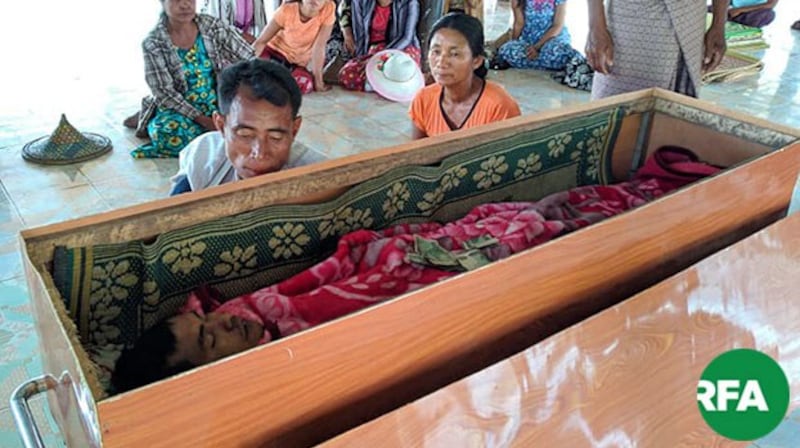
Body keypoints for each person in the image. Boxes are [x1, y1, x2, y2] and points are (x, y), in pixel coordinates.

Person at [112, 145, 721, 392]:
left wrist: (386, 253)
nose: (225, 325)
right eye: (209, 341)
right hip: (429, 296)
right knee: (531, 244)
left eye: (208, 323)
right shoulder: (279, 369)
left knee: (499, 226)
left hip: (411, 264)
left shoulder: (256, 310)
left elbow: (333, 274)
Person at [131, 0, 254, 159]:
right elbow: (165, 92)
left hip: (215, 100)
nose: (185, 5)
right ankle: (150, 116)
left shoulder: (211, 26)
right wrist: (204, 120)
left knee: (248, 126)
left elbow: (247, 58)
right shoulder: (153, 43)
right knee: (174, 136)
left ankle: (146, 114)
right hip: (179, 107)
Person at [169, 59, 305, 195]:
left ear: (294, 130)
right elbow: (172, 210)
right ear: (221, 126)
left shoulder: (317, 179)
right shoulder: (205, 158)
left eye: (276, 137)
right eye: (245, 135)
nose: (260, 153)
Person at [585, 0, 728, 100]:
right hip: (632, 19)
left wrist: (719, 24)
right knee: (618, 108)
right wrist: (596, 26)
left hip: (691, 20)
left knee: (679, 111)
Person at [409, 13, 521, 139]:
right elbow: (417, 154)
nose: (441, 62)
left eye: (454, 54)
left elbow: (505, 156)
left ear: (476, 61)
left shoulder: (499, 105)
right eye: (436, 52)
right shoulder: (423, 100)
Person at [252, 0, 336, 93]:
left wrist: (319, 82)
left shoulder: (328, 8)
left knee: (303, 84)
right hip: (273, 54)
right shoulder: (287, 10)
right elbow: (261, 42)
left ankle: (277, 80)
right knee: (257, 75)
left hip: (296, 64)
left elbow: (319, 46)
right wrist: (243, 69)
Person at [336, 0, 421, 91]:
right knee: (346, 73)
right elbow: (360, 35)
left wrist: (380, 57)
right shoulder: (359, 2)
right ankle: (386, 86)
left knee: (401, 68)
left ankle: (381, 84)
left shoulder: (410, 3)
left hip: (401, 48)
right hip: (375, 49)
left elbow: (406, 38)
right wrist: (361, 60)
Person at [491, 0, 581, 71]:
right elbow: (519, 23)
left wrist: (537, 47)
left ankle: (537, 61)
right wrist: (514, 43)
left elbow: (557, 25)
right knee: (507, 50)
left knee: (555, 51)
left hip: (553, 39)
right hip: (529, 41)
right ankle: (551, 64)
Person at [198, 0, 269, 42]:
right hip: (221, 47)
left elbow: (260, 26)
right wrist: (254, 41)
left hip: (246, 47)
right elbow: (219, 30)